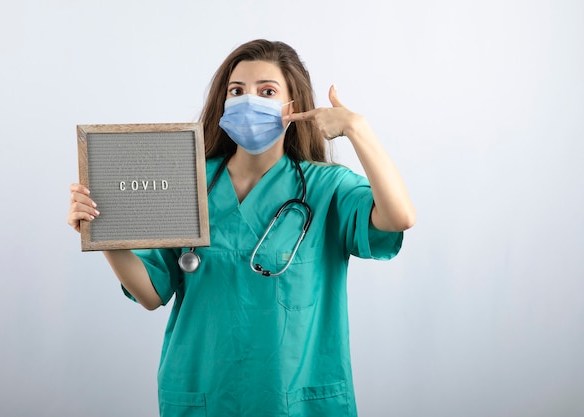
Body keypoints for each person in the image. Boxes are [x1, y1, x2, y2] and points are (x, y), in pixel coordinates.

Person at [68, 39, 415, 417]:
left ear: (292, 107)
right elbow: (151, 293)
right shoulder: (186, 182)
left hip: (296, 400)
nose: (249, 101)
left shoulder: (326, 188)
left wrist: (357, 128)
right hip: (204, 393)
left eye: (267, 91)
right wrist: (103, 232)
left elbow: (399, 217)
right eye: (237, 91)